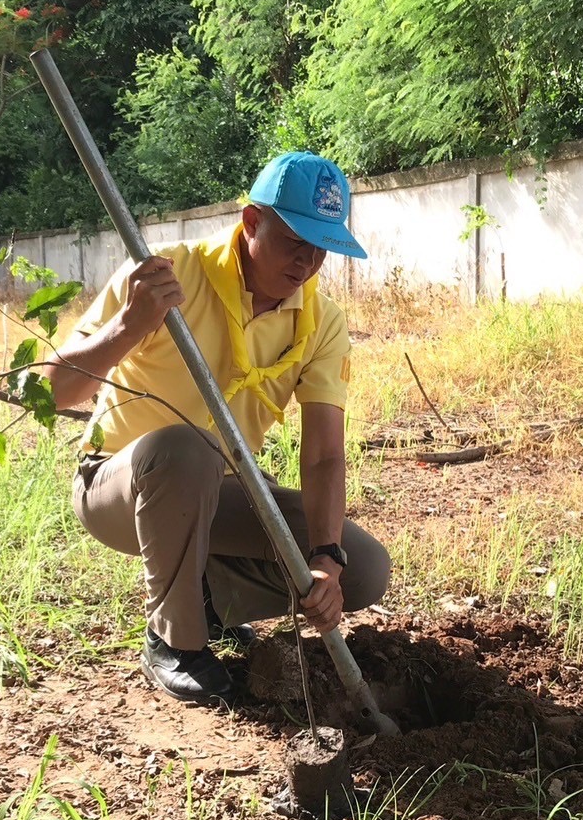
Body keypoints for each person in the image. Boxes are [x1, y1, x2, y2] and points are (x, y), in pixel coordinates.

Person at [43, 151, 391, 704]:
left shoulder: (322, 321)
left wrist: (326, 555)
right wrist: (129, 326)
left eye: (321, 247)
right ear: (252, 222)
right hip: (120, 487)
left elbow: (324, 454)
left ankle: (205, 599)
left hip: (224, 489)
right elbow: (51, 390)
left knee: (364, 569)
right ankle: (174, 640)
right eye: (294, 242)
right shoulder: (167, 276)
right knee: (188, 448)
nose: (306, 263)